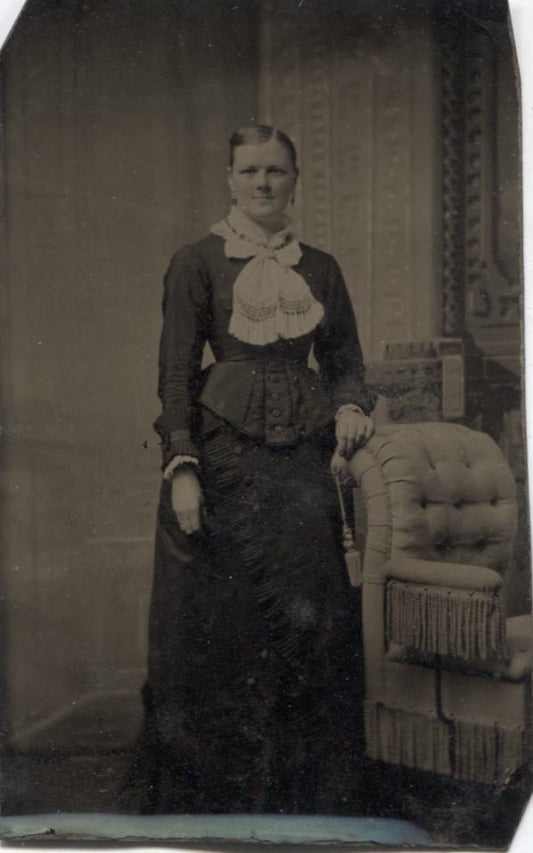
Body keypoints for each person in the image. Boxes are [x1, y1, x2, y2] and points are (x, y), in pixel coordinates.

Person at [130, 125, 376, 815]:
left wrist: (352, 401)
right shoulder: (196, 261)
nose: (263, 183)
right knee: (219, 631)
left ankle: (304, 798)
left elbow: (344, 357)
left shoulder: (320, 267)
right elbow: (175, 375)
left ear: (295, 179)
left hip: (300, 465)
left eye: (276, 171)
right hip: (219, 461)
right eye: (250, 171)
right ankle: (219, 798)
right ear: (230, 180)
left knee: (312, 624)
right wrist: (182, 466)